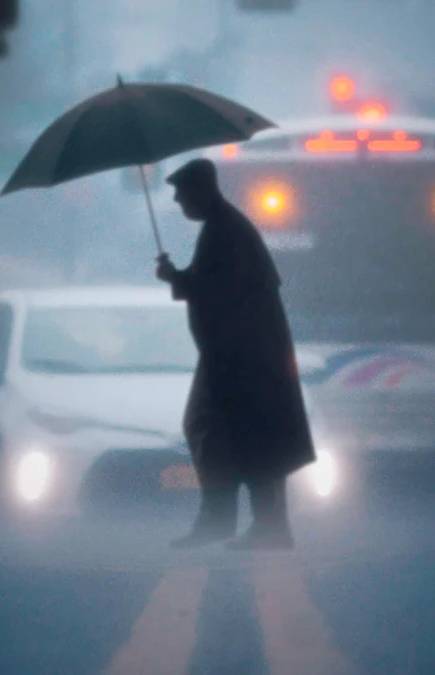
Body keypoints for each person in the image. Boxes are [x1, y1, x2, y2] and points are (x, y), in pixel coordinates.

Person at [155, 158, 315, 551]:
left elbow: (217, 292)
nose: (179, 203)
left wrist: (174, 278)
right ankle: (252, 523)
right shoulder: (224, 228)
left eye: (181, 195)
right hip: (242, 356)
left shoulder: (225, 231)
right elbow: (215, 286)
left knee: (214, 429)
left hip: (241, 358)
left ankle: (228, 520)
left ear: (200, 190)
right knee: (244, 436)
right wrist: (178, 278)